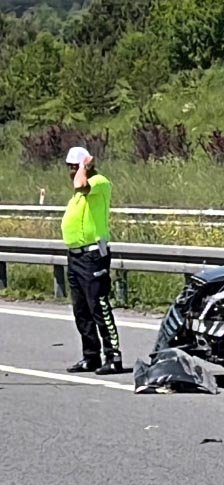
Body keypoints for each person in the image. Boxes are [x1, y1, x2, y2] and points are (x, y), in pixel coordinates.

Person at [61, 146, 124, 375]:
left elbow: (81, 184)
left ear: (85, 165)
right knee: (81, 310)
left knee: (99, 307)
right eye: (69, 167)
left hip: (92, 256)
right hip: (76, 256)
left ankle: (113, 356)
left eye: (74, 167)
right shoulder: (78, 194)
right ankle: (91, 356)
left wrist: (84, 169)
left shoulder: (98, 182)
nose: (70, 172)